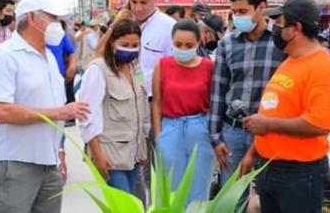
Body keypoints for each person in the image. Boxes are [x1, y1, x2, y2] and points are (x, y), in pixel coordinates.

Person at [241, 0, 330, 213]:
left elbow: (319, 124)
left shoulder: (322, 68)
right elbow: (271, 111)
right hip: (269, 167)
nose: (274, 28)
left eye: (278, 23)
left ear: (295, 28)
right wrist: (253, 152)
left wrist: (267, 125)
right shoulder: (290, 61)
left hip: (298, 174)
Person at [0, 0, 90, 213]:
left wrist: (60, 153)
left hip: (49, 162)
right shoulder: (4, 56)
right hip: (16, 162)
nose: (58, 25)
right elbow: (2, 111)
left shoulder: (48, 57)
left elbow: (54, 107)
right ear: (32, 18)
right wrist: (60, 112)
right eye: (52, 18)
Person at [208, 0, 286, 202]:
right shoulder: (227, 44)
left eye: (243, 11)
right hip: (232, 132)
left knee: (269, 195)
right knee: (231, 199)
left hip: (269, 131)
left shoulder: (281, 42)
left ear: (262, 7)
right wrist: (216, 137)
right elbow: (218, 91)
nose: (237, 17)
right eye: (234, 12)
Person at [79, 18, 148, 194]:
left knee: (133, 203)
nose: (130, 49)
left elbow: (141, 103)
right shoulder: (98, 70)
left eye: (135, 45)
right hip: (110, 154)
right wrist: (98, 155)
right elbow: (88, 116)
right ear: (111, 43)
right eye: (124, 44)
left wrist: (143, 148)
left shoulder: (134, 66)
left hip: (133, 152)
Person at [152, 19, 215, 204]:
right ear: (171, 42)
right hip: (170, 127)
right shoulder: (162, 65)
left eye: (189, 45)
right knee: (170, 190)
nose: (183, 49)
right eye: (178, 44)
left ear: (198, 43)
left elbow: (214, 101)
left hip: (200, 127)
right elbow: (156, 102)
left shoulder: (208, 66)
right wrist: (158, 134)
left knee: (199, 190)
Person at [129, 0, 176, 99]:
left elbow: (175, 69)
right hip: (127, 99)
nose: (138, 8)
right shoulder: (125, 24)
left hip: (154, 99)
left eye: (144, 2)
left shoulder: (169, 27)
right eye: (133, 2)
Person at [47, 19, 77, 127]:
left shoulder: (60, 34)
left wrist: (72, 66)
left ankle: (60, 141)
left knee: (60, 107)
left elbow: (72, 51)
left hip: (59, 78)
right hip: (41, 80)